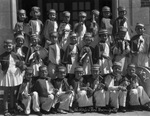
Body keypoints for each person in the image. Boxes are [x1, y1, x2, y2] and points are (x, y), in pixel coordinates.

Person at [0, 39, 26, 116]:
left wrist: (22, 69)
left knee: (12, 93)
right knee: (5, 93)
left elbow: (22, 64)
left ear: (12, 46)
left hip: (14, 76)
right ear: (4, 46)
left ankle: (11, 109)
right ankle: (5, 110)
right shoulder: (2, 56)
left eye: (10, 46)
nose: (8, 47)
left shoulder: (16, 55)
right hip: (5, 76)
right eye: (7, 46)